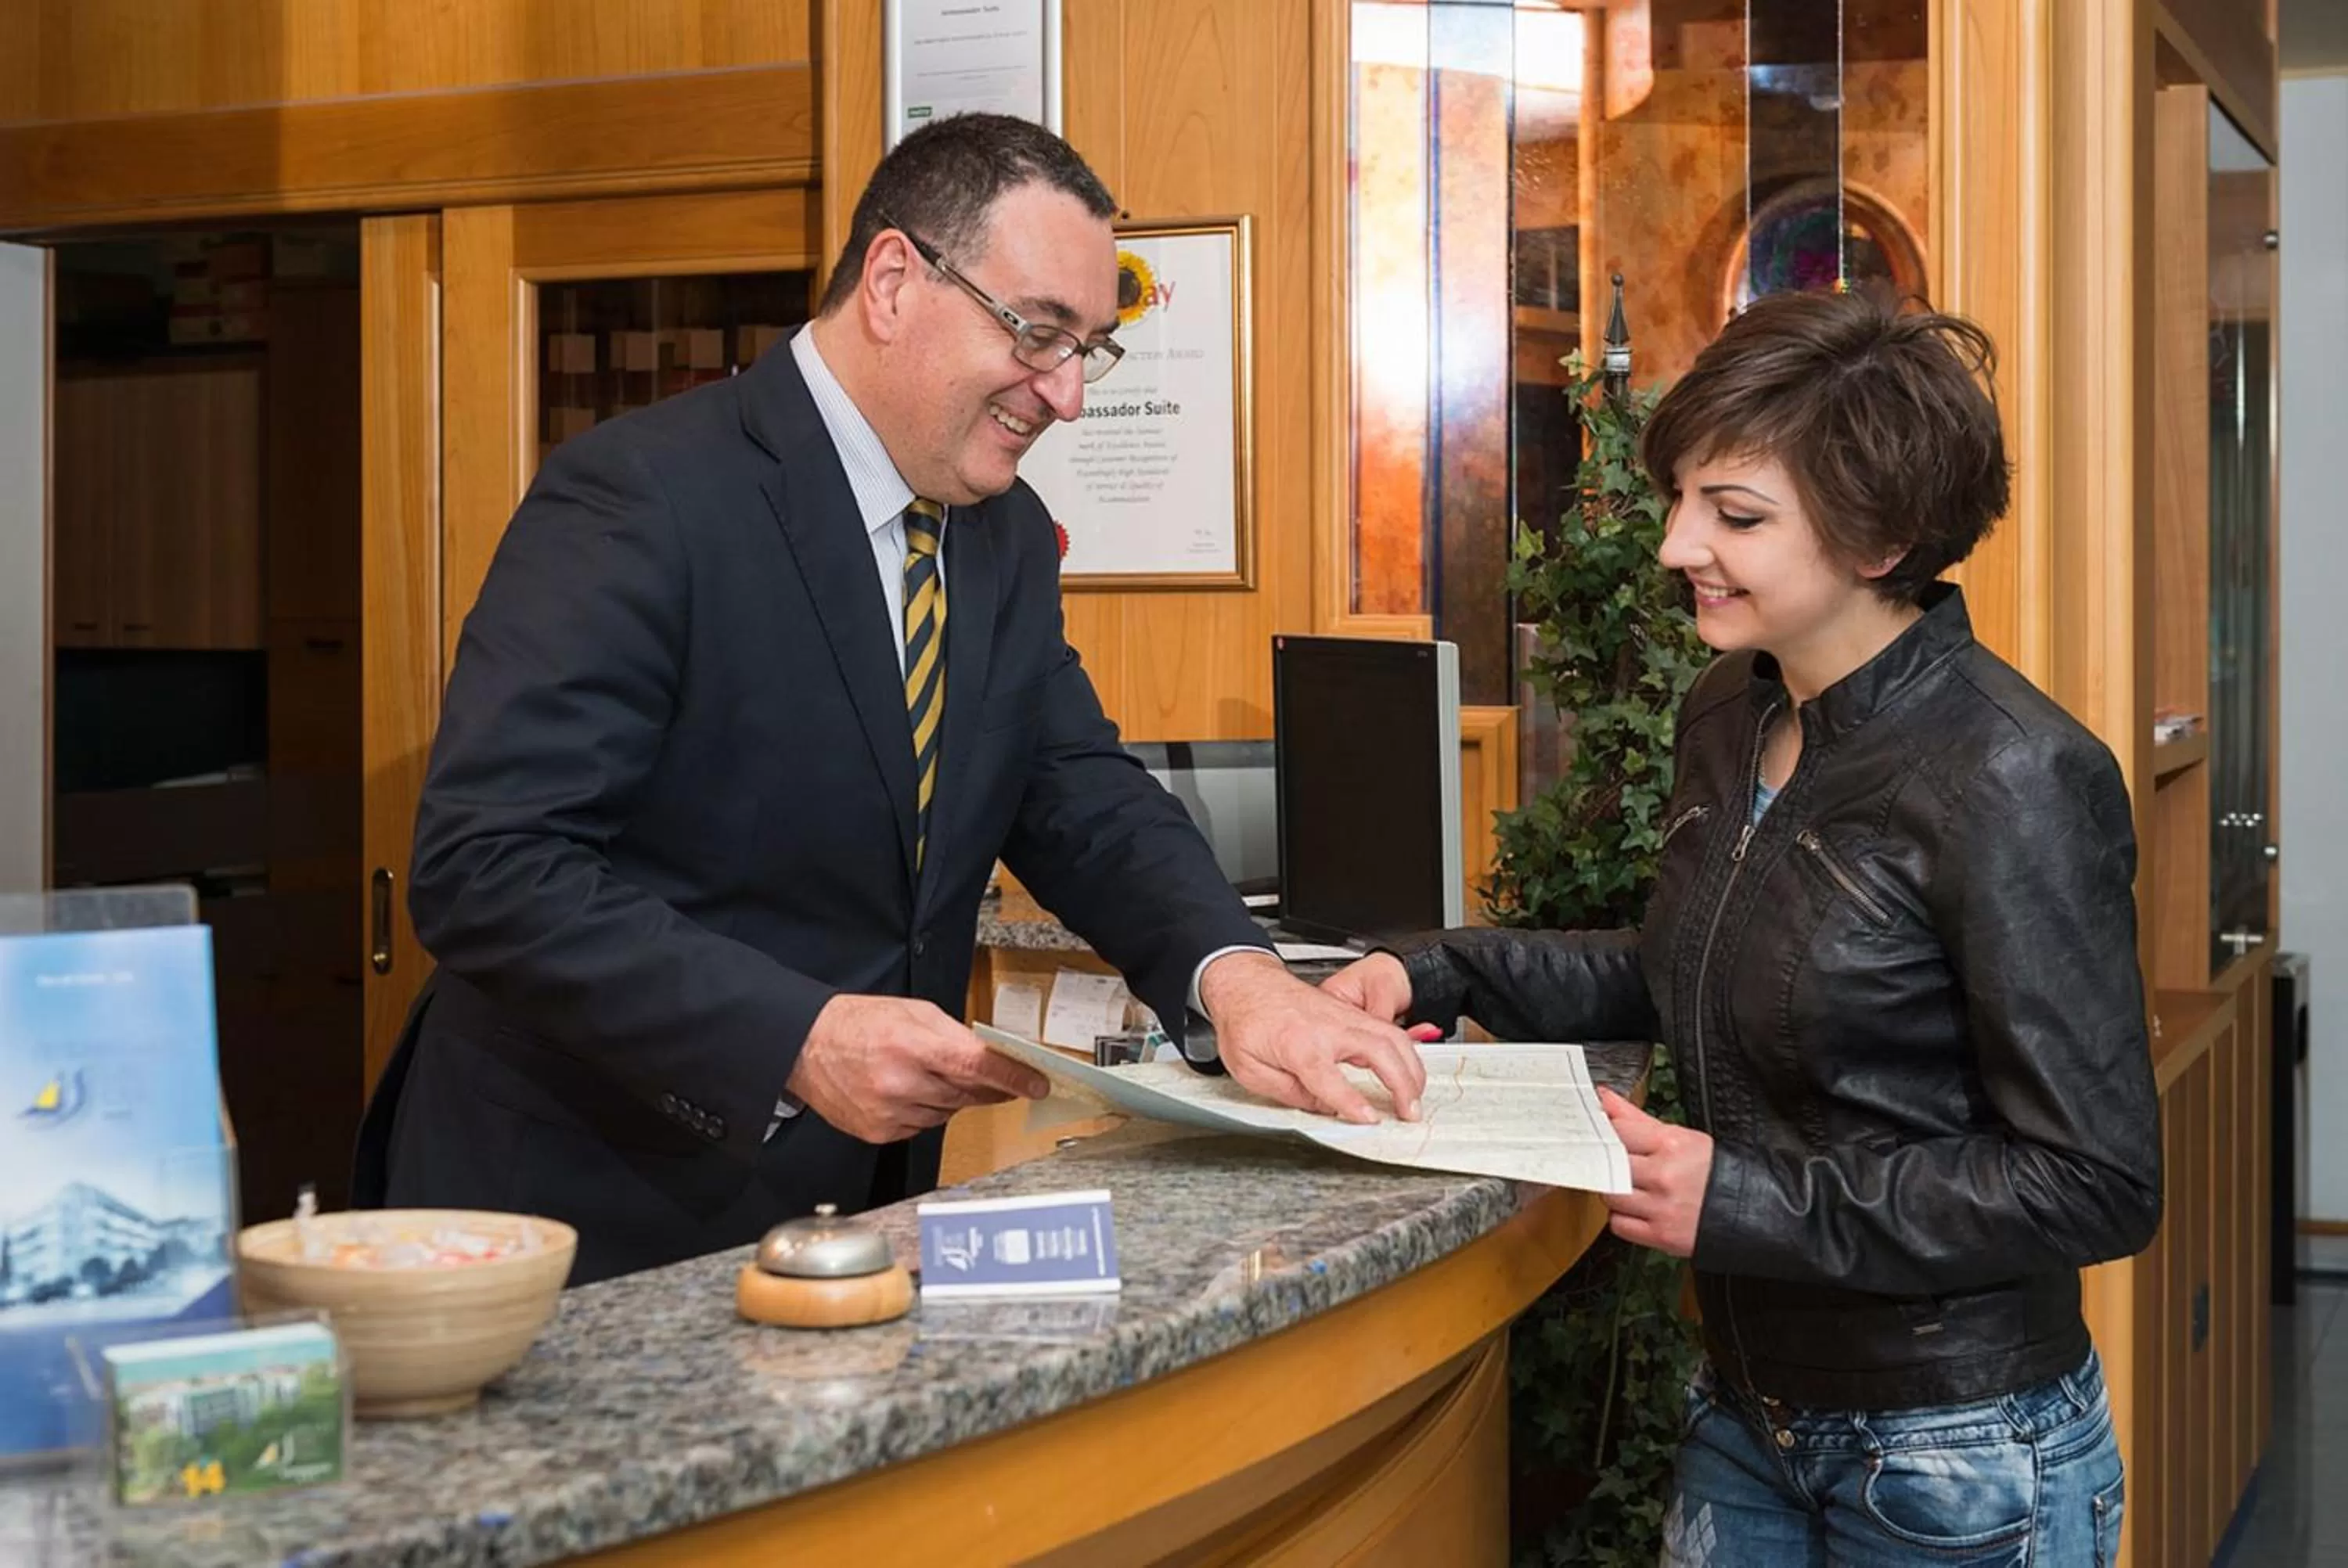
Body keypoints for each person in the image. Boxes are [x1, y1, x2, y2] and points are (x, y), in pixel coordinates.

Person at [352, 113, 1426, 1286]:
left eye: (1090, 350)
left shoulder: (1004, 535)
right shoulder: (644, 496)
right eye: (1038, 334)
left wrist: (1243, 981)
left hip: (852, 1210)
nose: (1068, 396)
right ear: (895, 281)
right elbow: (489, 865)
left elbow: (1077, 792)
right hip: (586, 1211)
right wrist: (794, 1038)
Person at [1323, 290, 2159, 1566]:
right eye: (1682, 501)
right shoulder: (1731, 709)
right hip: (1748, 1411)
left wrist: (1749, 1201)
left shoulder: (2015, 773)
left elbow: (2096, 1181)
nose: (1677, 545)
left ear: (1881, 537)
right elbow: (1700, 964)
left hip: (1962, 1450)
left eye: (1736, 515)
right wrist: (1427, 965)